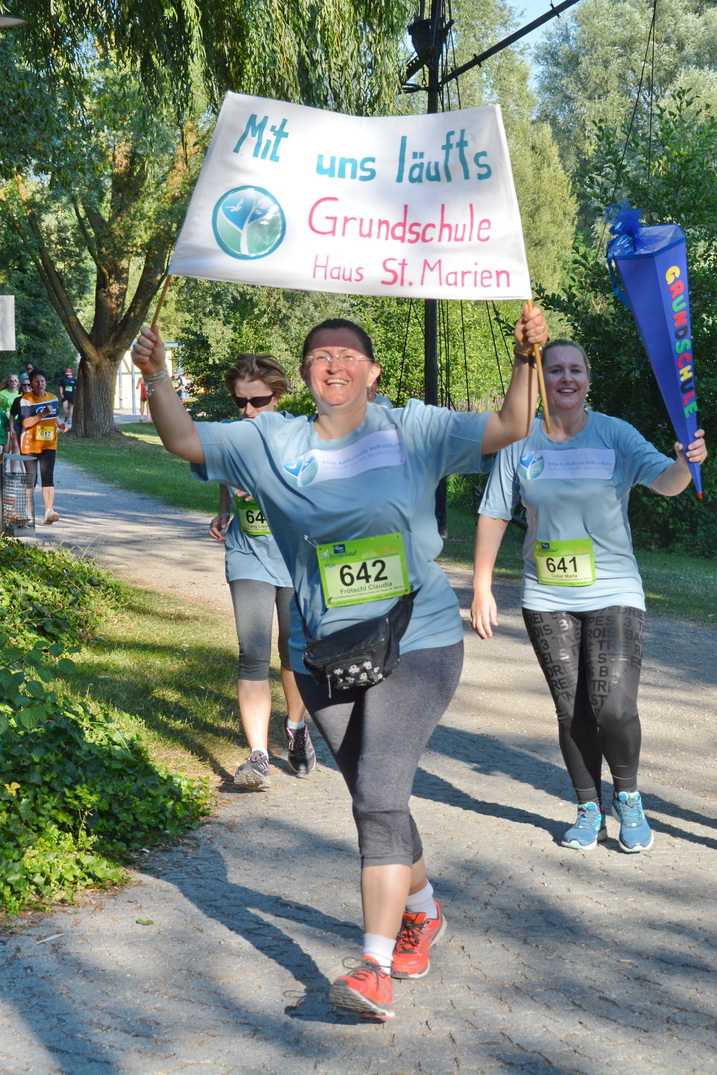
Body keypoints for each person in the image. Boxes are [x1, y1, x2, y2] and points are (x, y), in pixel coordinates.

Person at [136, 304, 548, 1022]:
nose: (334, 365)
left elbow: (511, 424)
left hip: (416, 638)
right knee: (372, 791)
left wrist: (525, 359)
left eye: (348, 355)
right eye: (321, 356)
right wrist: (155, 377)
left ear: (372, 372)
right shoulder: (270, 439)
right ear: (304, 374)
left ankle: (374, 967)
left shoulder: (412, 429)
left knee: (378, 795)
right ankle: (423, 909)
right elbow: (182, 439)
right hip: (321, 648)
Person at [470, 339, 708, 853]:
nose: (566, 378)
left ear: (588, 379)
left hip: (614, 589)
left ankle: (628, 797)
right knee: (571, 709)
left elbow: (666, 483)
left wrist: (686, 463)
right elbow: (494, 512)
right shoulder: (520, 441)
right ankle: (587, 808)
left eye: (575, 369)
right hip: (546, 594)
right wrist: (482, 586)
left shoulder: (614, 434)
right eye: (555, 370)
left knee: (613, 707)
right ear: (541, 381)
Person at [207, 355, 316, 791]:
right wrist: (223, 512)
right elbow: (225, 477)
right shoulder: (230, 437)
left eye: (259, 401)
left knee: (294, 652)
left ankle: (296, 728)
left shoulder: (301, 435)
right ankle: (258, 756)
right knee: (252, 652)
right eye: (241, 402)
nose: (249, 410)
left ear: (278, 395)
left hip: (294, 557)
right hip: (247, 554)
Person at [9, 368, 68, 524]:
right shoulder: (26, 399)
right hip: (30, 443)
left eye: (42, 381)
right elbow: (26, 422)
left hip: (48, 442)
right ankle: (28, 510)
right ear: (31, 384)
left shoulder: (53, 398)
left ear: (46, 382)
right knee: (31, 477)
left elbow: (55, 415)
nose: (40, 384)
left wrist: (60, 425)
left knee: (48, 475)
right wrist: (42, 414)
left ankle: (49, 511)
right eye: (36, 382)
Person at [0, 374, 22, 449]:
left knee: (15, 446)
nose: (14, 382)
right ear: (8, 382)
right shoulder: (2, 393)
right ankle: (3, 457)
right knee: (6, 446)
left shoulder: (20, 394)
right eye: (11, 380)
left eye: (16, 380)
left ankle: (15, 457)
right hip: (5, 420)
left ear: (18, 382)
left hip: (17, 420)